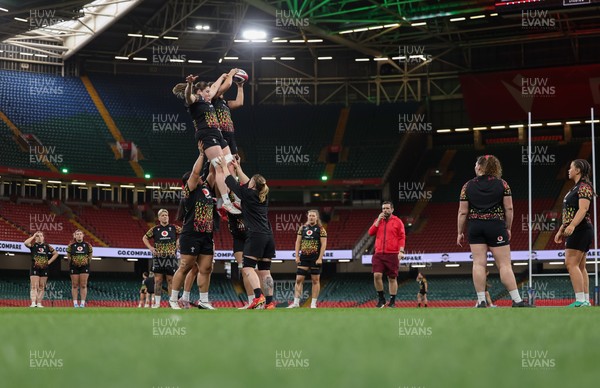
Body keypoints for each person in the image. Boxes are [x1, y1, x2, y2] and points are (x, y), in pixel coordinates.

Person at [457, 155, 531, 307]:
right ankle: (517, 300)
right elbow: (509, 208)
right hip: (496, 225)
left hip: (475, 226)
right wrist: (508, 227)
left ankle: (481, 301)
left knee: (478, 264)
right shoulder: (503, 184)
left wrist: (460, 232)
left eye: (476, 164)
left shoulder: (467, 186)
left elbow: (462, 212)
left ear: (479, 167)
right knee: (504, 265)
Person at [180, 71, 241, 215]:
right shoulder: (195, 101)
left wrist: (222, 76)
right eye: (206, 91)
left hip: (218, 134)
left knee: (230, 163)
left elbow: (214, 87)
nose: (210, 93)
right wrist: (189, 84)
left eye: (209, 91)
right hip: (207, 135)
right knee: (219, 167)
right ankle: (225, 202)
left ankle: (236, 197)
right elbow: (189, 96)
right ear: (199, 92)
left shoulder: (208, 100)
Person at [219, 155, 275, 309]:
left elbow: (230, 181)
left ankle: (258, 297)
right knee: (265, 271)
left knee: (247, 267)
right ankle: (269, 303)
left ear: (252, 185)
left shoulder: (248, 194)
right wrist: (238, 167)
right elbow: (246, 180)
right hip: (269, 236)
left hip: (256, 235)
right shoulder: (263, 195)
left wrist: (225, 166)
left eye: (250, 181)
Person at [169, 147, 216, 310]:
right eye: (195, 178)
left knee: (206, 268)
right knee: (185, 266)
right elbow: (195, 174)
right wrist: (202, 154)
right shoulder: (188, 192)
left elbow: (212, 172)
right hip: (191, 234)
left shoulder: (206, 188)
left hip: (207, 234)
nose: (199, 177)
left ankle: (204, 301)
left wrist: (212, 155)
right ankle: (174, 299)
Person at [554, 159, 595, 307]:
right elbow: (569, 211)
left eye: (570, 168)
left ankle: (580, 300)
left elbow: (583, 209)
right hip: (580, 228)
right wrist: (561, 229)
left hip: (581, 228)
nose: (568, 170)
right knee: (580, 266)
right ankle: (585, 301)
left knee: (571, 263)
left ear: (578, 170)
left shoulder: (583, 187)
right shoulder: (575, 188)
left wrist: (572, 225)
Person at [368, 201, 405, 308]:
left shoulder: (398, 221)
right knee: (376, 275)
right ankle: (381, 299)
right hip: (378, 253)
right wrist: (378, 220)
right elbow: (370, 233)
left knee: (392, 278)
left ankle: (392, 301)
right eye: (383, 208)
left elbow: (402, 237)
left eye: (387, 208)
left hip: (392, 254)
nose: (385, 210)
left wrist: (401, 251)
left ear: (392, 209)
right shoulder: (378, 221)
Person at [288, 210, 327, 309]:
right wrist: (297, 256)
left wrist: (320, 258)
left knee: (315, 280)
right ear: (307, 217)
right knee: (299, 279)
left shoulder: (321, 229)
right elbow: (298, 242)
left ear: (316, 217)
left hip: (315, 258)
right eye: (310, 215)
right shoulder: (303, 228)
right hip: (304, 257)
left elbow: (324, 244)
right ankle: (296, 303)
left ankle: (313, 304)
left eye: (313, 216)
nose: (311, 217)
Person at [143, 209, 181, 308]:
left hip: (171, 257)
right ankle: (157, 303)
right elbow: (145, 238)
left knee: (171, 280)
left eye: (166, 215)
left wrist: (178, 241)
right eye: (163, 215)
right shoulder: (155, 229)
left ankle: (172, 302)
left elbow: (184, 233)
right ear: (159, 218)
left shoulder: (174, 228)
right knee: (158, 280)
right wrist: (151, 248)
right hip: (158, 257)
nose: (165, 217)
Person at [24, 231, 58, 308]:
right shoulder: (33, 245)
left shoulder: (47, 246)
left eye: (41, 236)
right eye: (37, 236)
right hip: (34, 267)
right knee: (34, 286)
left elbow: (56, 253)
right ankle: (33, 303)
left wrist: (49, 262)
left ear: (43, 237)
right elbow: (26, 243)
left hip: (44, 268)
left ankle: (39, 303)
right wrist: (33, 236)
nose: (39, 237)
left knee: (42, 286)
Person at [65, 229, 93, 308]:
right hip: (74, 267)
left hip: (85, 267)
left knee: (83, 285)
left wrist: (85, 262)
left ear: (83, 235)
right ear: (75, 236)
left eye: (80, 234)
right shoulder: (71, 245)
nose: (79, 235)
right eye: (77, 234)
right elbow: (68, 256)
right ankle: (75, 303)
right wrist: (75, 262)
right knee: (74, 285)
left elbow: (90, 256)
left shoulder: (88, 245)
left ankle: (83, 303)